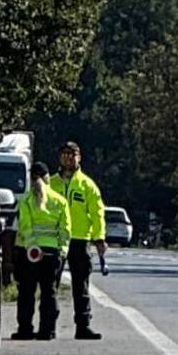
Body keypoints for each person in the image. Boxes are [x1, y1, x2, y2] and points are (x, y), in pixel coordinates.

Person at [50, 141, 106, 340]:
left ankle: (83, 325)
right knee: (51, 284)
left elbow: (97, 212)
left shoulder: (87, 185)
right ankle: (48, 326)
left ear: (79, 157)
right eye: (64, 153)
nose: (68, 157)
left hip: (79, 240)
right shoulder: (51, 183)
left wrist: (99, 237)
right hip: (55, 240)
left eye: (72, 154)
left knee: (80, 284)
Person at [12, 162, 70, 341]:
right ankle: (47, 330)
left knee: (27, 292)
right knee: (49, 291)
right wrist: (62, 250)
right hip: (52, 252)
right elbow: (65, 229)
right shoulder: (60, 201)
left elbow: (25, 226)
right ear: (47, 177)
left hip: (30, 253)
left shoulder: (27, 200)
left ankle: (25, 330)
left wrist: (31, 247)